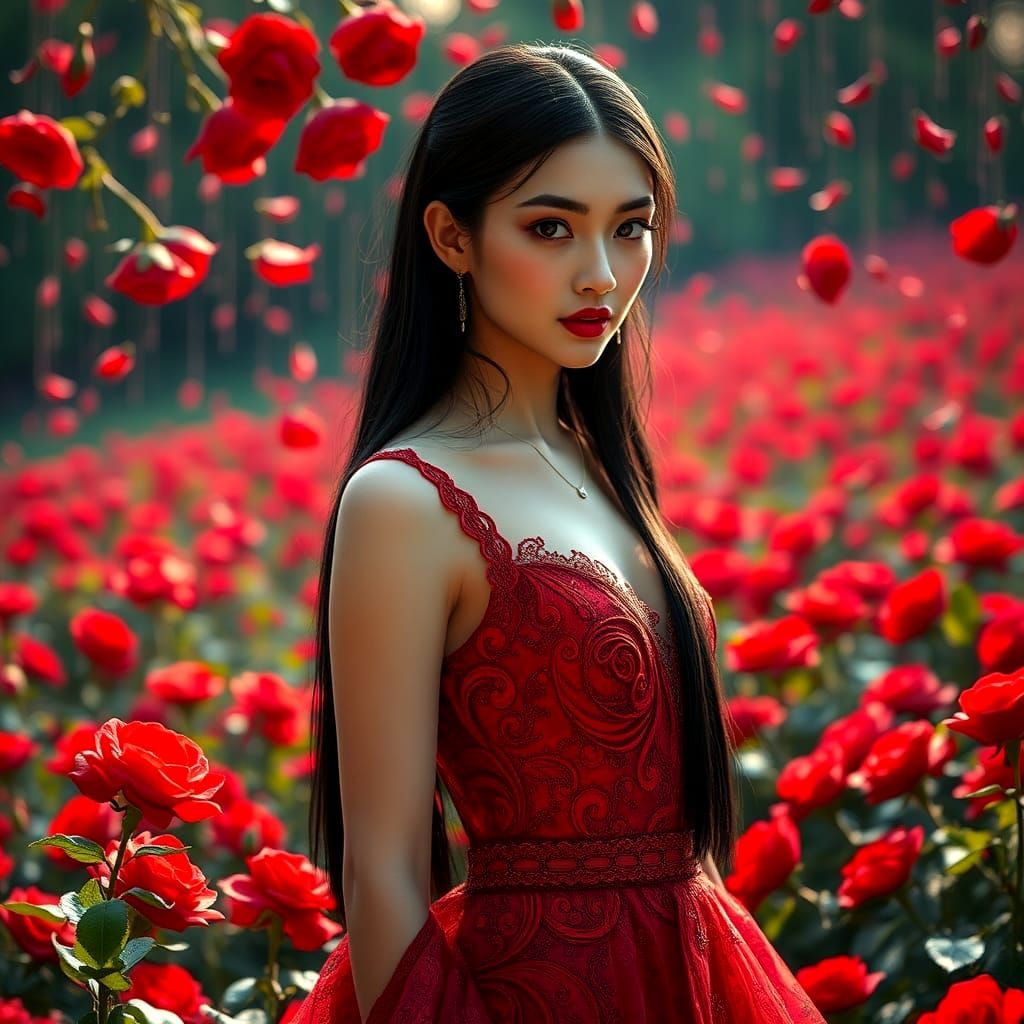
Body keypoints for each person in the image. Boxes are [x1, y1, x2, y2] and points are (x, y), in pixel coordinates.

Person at [295, 42, 826, 1024]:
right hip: (532, 988)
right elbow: (380, 875)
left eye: (631, 229)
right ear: (451, 237)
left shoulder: (599, 466)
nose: (600, 274)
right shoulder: (405, 499)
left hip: (692, 967)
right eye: (550, 228)